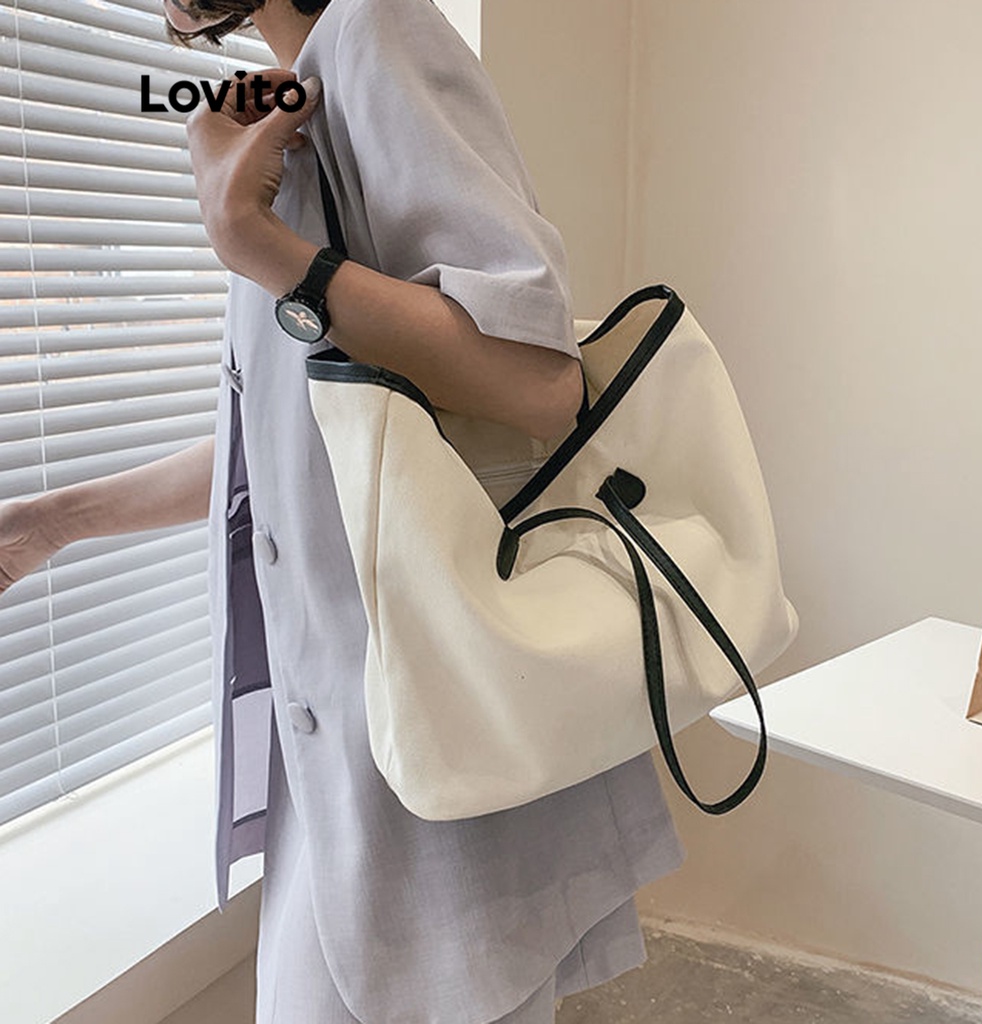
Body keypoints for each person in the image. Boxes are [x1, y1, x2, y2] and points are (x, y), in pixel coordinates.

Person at [0, 1, 685, 1021]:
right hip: (349, 748)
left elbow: (539, 382)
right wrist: (51, 523)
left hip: (423, 741)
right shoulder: (299, 93)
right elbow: (292, 438)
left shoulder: (377, 29)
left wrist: (255, 243)